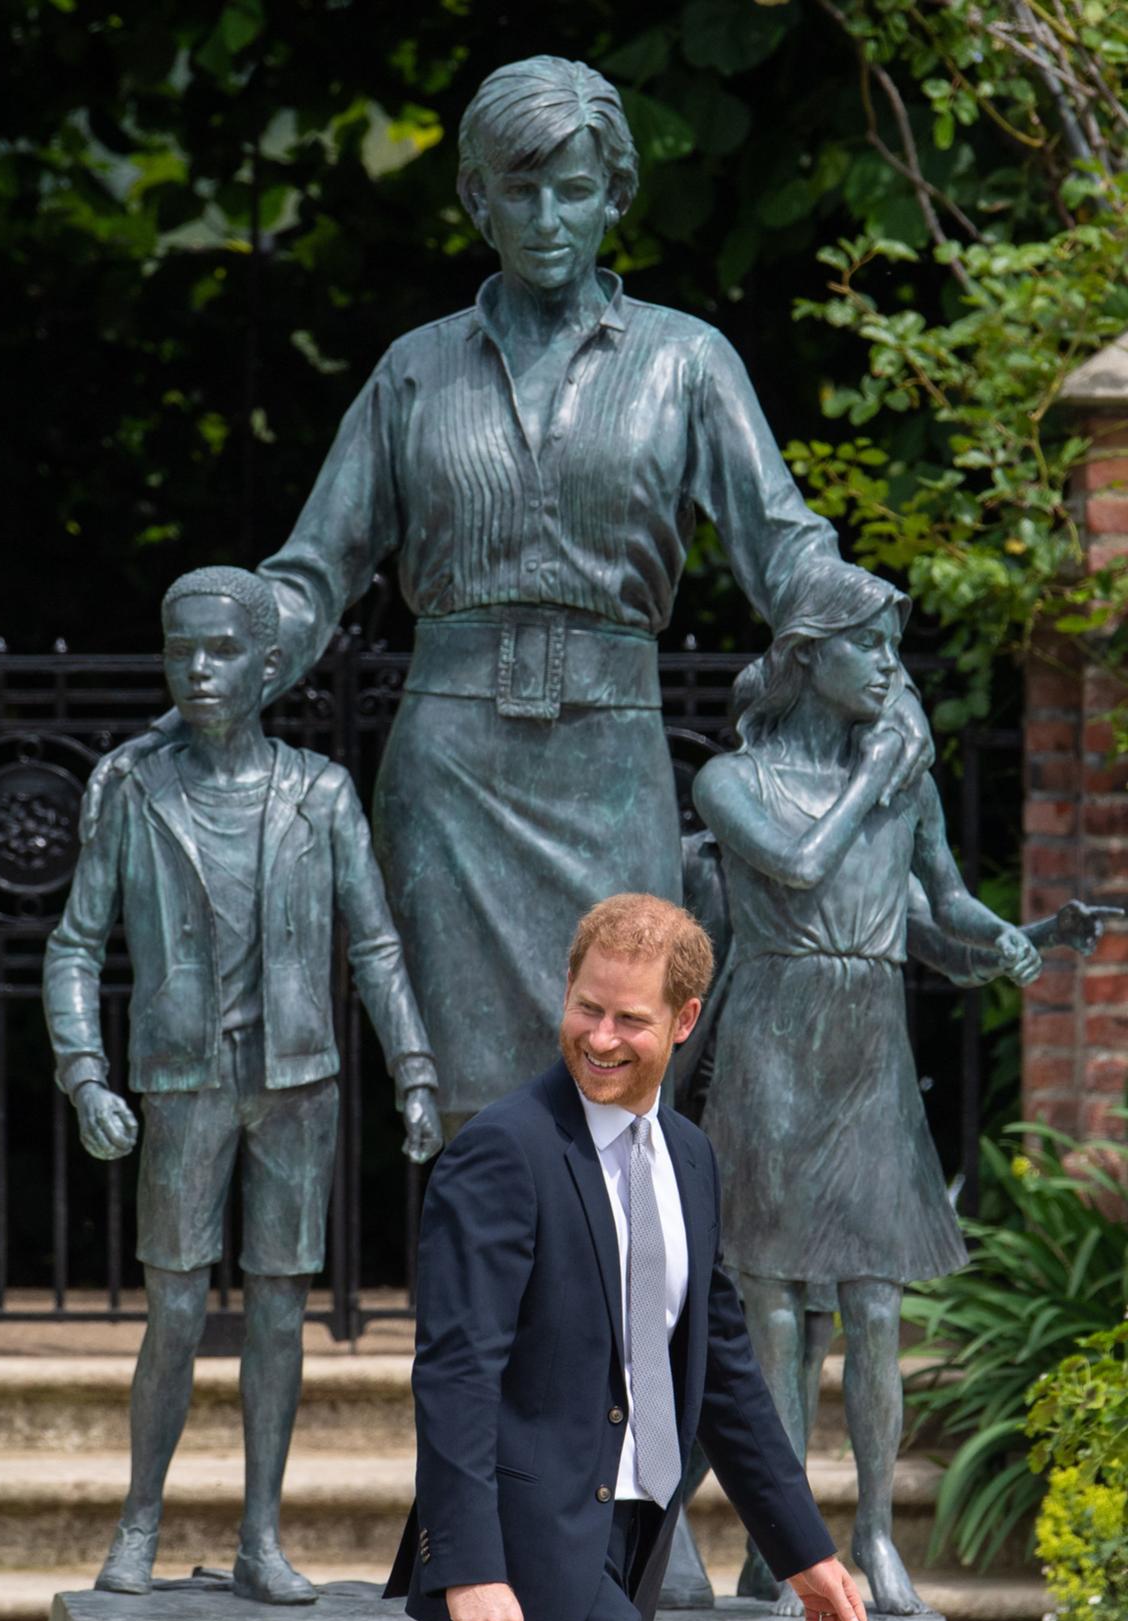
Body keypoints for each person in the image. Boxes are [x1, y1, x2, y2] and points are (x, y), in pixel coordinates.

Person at [82, 54, 932, 1138]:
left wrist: (872, 655)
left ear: (616, 196)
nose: (545, 218)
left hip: (611, 755)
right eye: (518, 191)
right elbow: (312, 575)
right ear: (477, 197)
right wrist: (217, 683)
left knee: (616, 1063)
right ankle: (477, 1313)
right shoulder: (414, 372)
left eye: (572, 191)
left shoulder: (687, 363)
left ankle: (604, 1312)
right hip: (452, 770)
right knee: (469, 1098)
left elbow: (787, 549)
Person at [385, 893, 867, 1621]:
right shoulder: (502, 1152)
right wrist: (473, 1567)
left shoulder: (688, 1157)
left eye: (630, 1020)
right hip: (528, 1560)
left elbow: (722, 1370)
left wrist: (803, 1549)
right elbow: (455, 1375)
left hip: (623, 1545)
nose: (600, 1037)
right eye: (586, 1008)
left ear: (685, 1021)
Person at [43, 566, 441, 1603]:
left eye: (221, 653)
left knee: (278, 1311)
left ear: (269, 667)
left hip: (296, 1084)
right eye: (181, 652)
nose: (199, 672)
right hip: (183, 1082)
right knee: (174, 1309)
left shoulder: (319, 793)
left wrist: (414, 1071)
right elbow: (75, 947)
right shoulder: (134, 790)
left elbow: (378, 946)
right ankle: (140, 1522)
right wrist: (86, 1077)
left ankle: (261, 1535)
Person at [691, 561, 1044, 1617]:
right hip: (774, 1038)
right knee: (772, 1310)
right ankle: (778, 1539)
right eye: (872, 647)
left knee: (876, 1304)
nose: (891, 669)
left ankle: (878, 1537)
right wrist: (878, 771)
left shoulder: (907, 784)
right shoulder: (733, 782)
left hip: (868, 1043)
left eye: (895, 649)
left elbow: (940, 909)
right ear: (808, 658)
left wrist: (1000, 942)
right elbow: (799, 867)